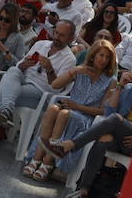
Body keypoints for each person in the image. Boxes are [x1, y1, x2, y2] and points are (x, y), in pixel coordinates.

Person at [48, 53, 132, 198]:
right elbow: (109, 111)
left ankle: (70, 145)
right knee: (103, 139)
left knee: (115, 119)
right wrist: (120, 86)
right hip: (121, 136)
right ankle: (83, 191)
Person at [0, 19, 77, 153]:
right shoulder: (41, 44)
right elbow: (18, 66)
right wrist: (24, 65)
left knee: (3, 92)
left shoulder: (69, 59)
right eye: (56, 33)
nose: (57, 37)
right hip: (22, 80)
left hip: (41, 92)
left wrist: (49, 69)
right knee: (12, 71)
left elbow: (56, 88)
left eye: (62, 35)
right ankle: (3, 112)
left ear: (71, 37)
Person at [20, 38, 118, 182]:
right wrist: (74, 71)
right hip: (70, 109)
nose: (103, 60)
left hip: (87, 117)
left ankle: (47, 163)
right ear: (93, 55)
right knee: (54, 108)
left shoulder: (111, 80)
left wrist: (78, 107)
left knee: (64, 113)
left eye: (107, 57)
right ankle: (36, 159)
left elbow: (102, 111)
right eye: (101, 55)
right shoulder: (81, 71)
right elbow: (55, 85)